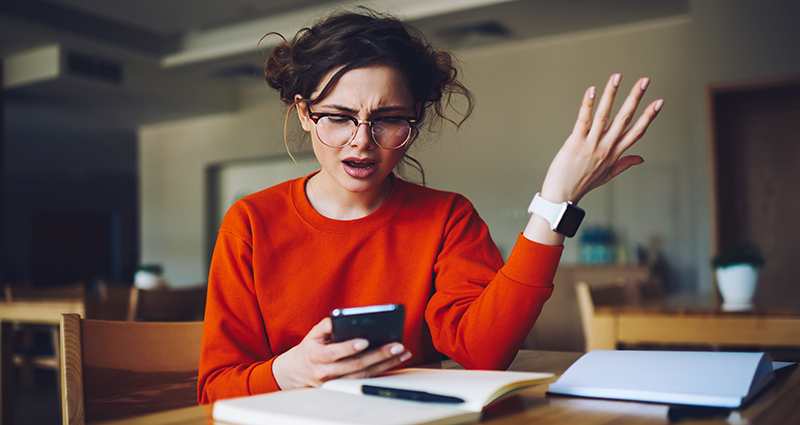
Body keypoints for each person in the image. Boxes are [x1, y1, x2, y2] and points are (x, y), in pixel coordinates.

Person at [198, 8, 662, 404]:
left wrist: (555, 203)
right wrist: (290, 370)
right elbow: (215, 388)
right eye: (338, 118)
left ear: (415, 117)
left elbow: (483, 354)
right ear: (304, 111)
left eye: (389, 120)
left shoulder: (447, 218)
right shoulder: (251, 223)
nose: (362, 142)